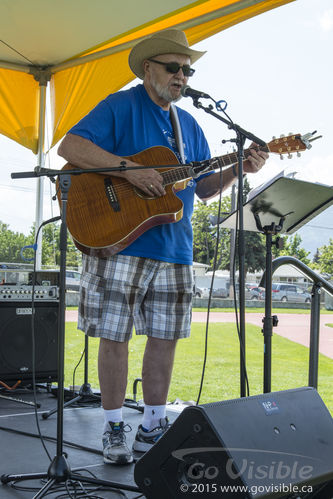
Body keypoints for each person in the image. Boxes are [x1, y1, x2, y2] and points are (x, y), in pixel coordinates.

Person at [58, 28, 268, 465]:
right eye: (173, 67)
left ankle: (152, 426)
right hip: (120, 240)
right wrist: (129, 170)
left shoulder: (189, 123)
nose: (182, 76)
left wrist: (238, 169)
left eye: (187, 70)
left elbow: (205, 185)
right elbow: (71, 146)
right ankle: (114, 427)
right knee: (114, 337)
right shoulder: (121, 105)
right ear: (148, 68)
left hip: (175, 247)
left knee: (165, 338)